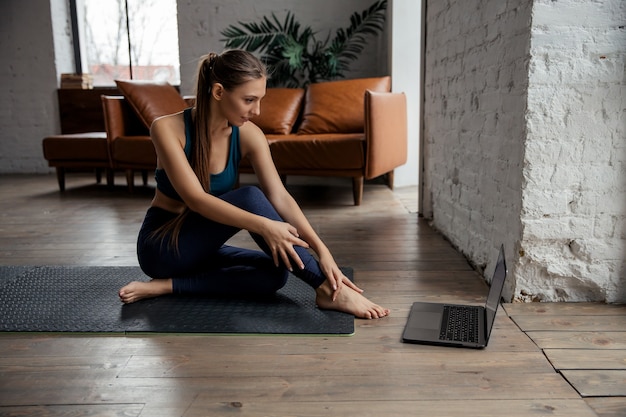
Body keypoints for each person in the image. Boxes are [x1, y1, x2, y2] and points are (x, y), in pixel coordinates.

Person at [118, 49, 389, 319]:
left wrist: (322, 249)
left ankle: (166, 287)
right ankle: (329, 289)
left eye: (260, 100)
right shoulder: (166, 128)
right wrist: (264, 225)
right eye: (249, 100)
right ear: (219, 92)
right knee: (250, 196)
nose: (257, 111)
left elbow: (279, 196)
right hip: (163, 248)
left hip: (202, 250)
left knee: (275, 271)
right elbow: (196, 200)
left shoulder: (249, 135)